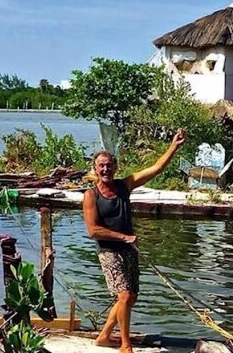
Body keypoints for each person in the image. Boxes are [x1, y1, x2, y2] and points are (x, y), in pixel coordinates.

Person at [83, 128, 186, 352]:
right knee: (125, 294)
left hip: (129, 249)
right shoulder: (91, 195)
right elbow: (93, 230)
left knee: (130, 298)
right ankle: (125, 345)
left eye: (109, 165)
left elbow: (156, 168)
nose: (105, 169)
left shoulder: (124, 186)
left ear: (115, 167)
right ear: (95, 169)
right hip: (109, 250)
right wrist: (123, 237)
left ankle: (103, 336)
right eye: (101, 165)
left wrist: (173, 147)